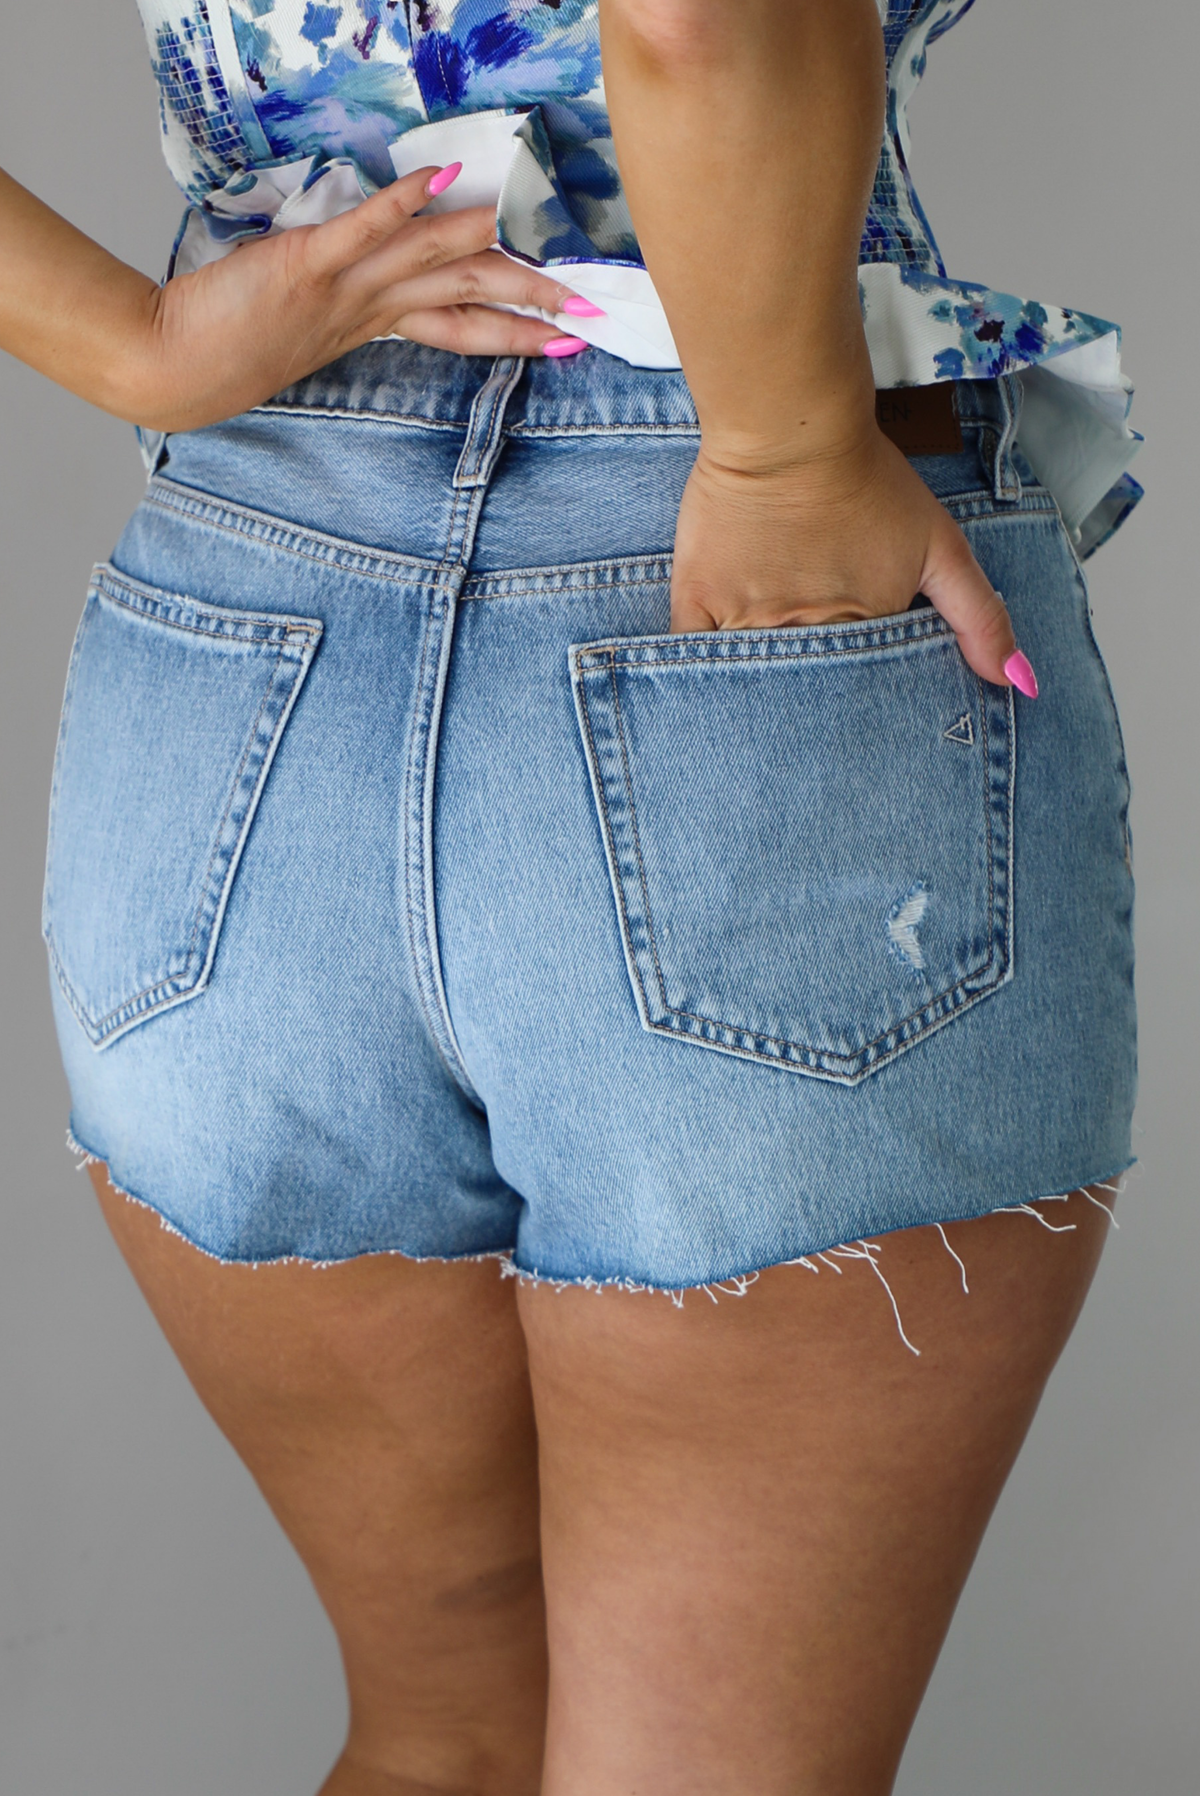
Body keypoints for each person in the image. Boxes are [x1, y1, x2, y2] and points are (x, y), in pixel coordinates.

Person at [1, 2, 1138, 1791]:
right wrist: (781, 449)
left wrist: (137, 350)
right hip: (723, 596)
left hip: (240, 630)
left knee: (435, 1745)